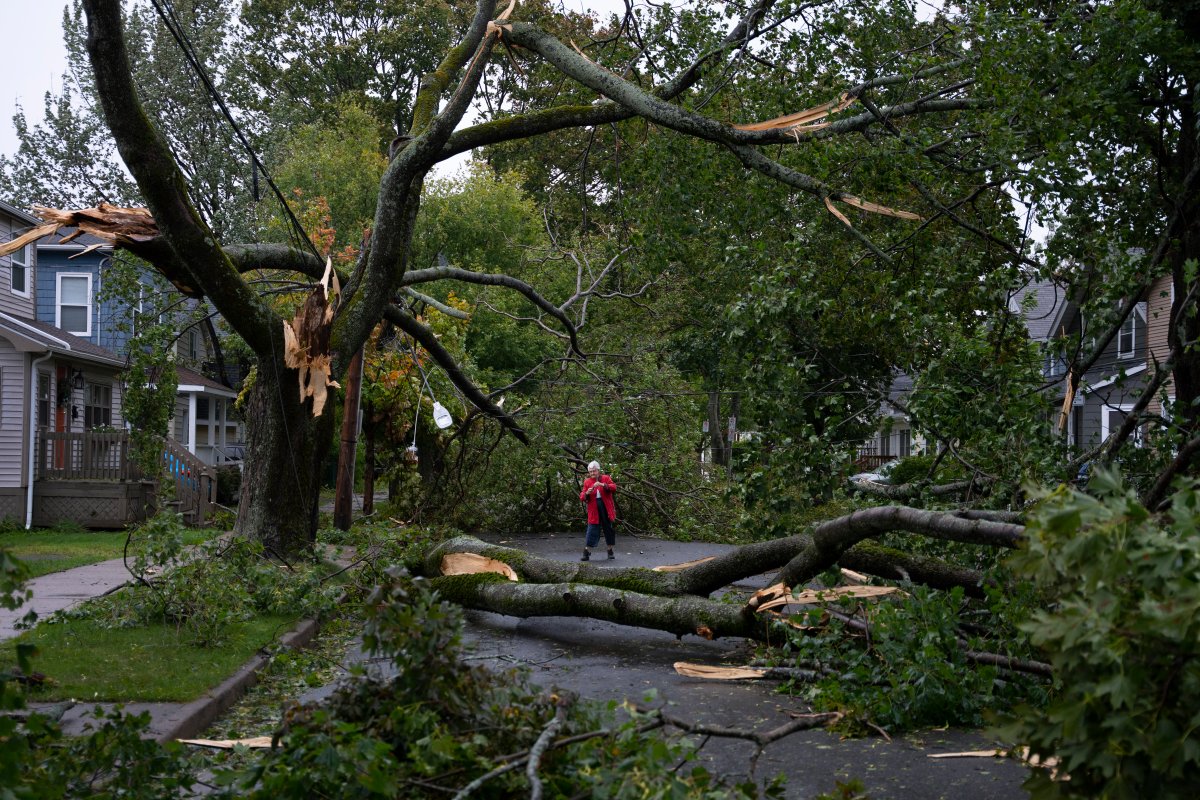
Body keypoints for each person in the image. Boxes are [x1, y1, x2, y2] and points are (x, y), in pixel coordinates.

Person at [580, 460, 618, 561]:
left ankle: (610, 550)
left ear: (598, 470)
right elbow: (582, 496)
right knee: (592, 529)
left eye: (594, 471)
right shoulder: (587, 482)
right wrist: (587, 493)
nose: (592, 473)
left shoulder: (605, 478)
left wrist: (602, 484)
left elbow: (614, 487)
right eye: (591, 471)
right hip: (594, 510)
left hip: (606, 508)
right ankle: (587, 552)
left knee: (608, 529)